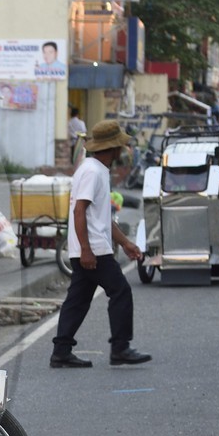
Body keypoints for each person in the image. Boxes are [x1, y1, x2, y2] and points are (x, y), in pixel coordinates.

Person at [50, 119, 150, 369]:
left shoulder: (95, 169)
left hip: (91, 246)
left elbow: (102, 217)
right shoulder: (93, 171)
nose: (122, 151)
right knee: (121, 291)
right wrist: (86, 249)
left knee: (78, 300)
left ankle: (61, 351)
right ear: (112, 148)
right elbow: (79, 212)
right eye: (120, 146)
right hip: (93, 248)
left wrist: (126, 243)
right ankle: (120, 348)